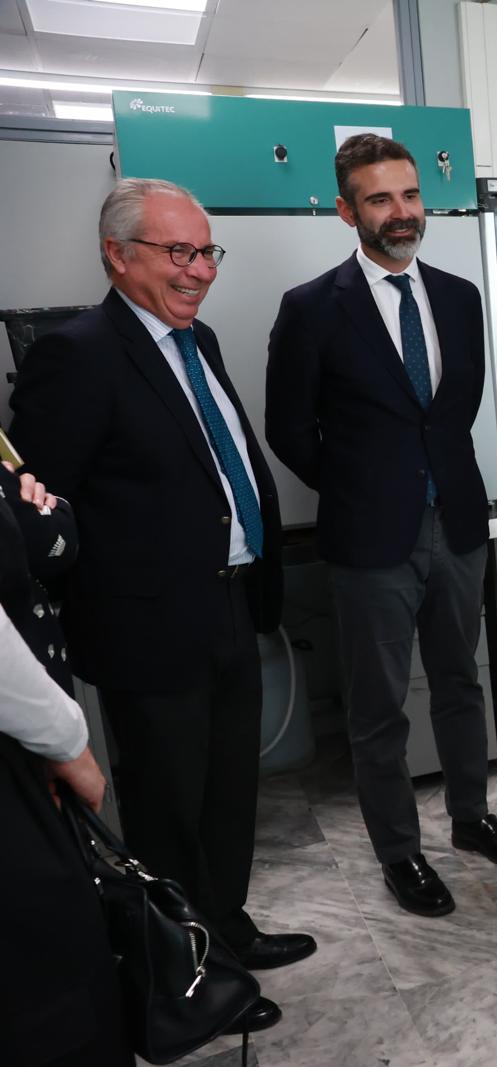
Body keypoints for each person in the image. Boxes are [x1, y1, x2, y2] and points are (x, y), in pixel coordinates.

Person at [8, 178, 312, 1036]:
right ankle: (188, 972)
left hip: (227, 601)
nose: (200, 271)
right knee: (168, 807)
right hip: (147, 625)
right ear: (118, 254)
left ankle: (230, 929)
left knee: (227, 793)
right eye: (179, 252)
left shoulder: (198, 338)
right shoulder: (76, 354)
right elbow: (46, 517)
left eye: (207, 251)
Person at [266, 134, 497, 920]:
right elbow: (289, 430)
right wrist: (359, 487)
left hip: (455, 520)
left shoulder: (458, 296)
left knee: (461, 682)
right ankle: (400, 851)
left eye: (410, 195)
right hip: (369, 537)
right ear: (347, 210)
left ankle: (472, 816)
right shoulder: (312, 307)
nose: (401, 213)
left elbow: (455, 409)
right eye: (380, 199)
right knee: (379, 705)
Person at [0, 462, 130, 1065]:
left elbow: (53, 536)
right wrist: (69, 745)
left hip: (27, 737)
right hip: (19, 751)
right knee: (58, 993)